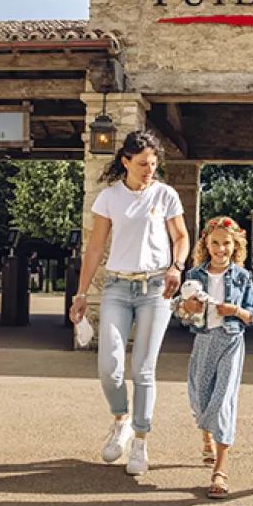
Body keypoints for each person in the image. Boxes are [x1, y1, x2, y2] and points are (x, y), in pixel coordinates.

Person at [69, 130, 190, 476]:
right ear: (125, 162)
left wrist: (177, 267)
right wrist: (81, 294)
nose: (149, 170)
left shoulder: (165, 194)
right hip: (118, 288)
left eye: (153, 164)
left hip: (156, 290)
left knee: (143, 369)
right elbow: (95, 248)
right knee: (109, 367)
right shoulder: (109, 197)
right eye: (142, 164)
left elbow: (181, 237)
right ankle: (120, 418)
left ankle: (140, 439)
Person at [177, 216, 253, 499]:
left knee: (223, 400)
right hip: (203, 341)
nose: (220, 249)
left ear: (235, 245)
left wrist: (235, 311)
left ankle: (221, 471)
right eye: (215, 243)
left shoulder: (242, 277)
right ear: (206, 244)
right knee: (200, 398)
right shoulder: (195, 276)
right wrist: (186, 306)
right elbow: (180, 311)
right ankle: (207, 437)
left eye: (226, 243)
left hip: (230, 342)